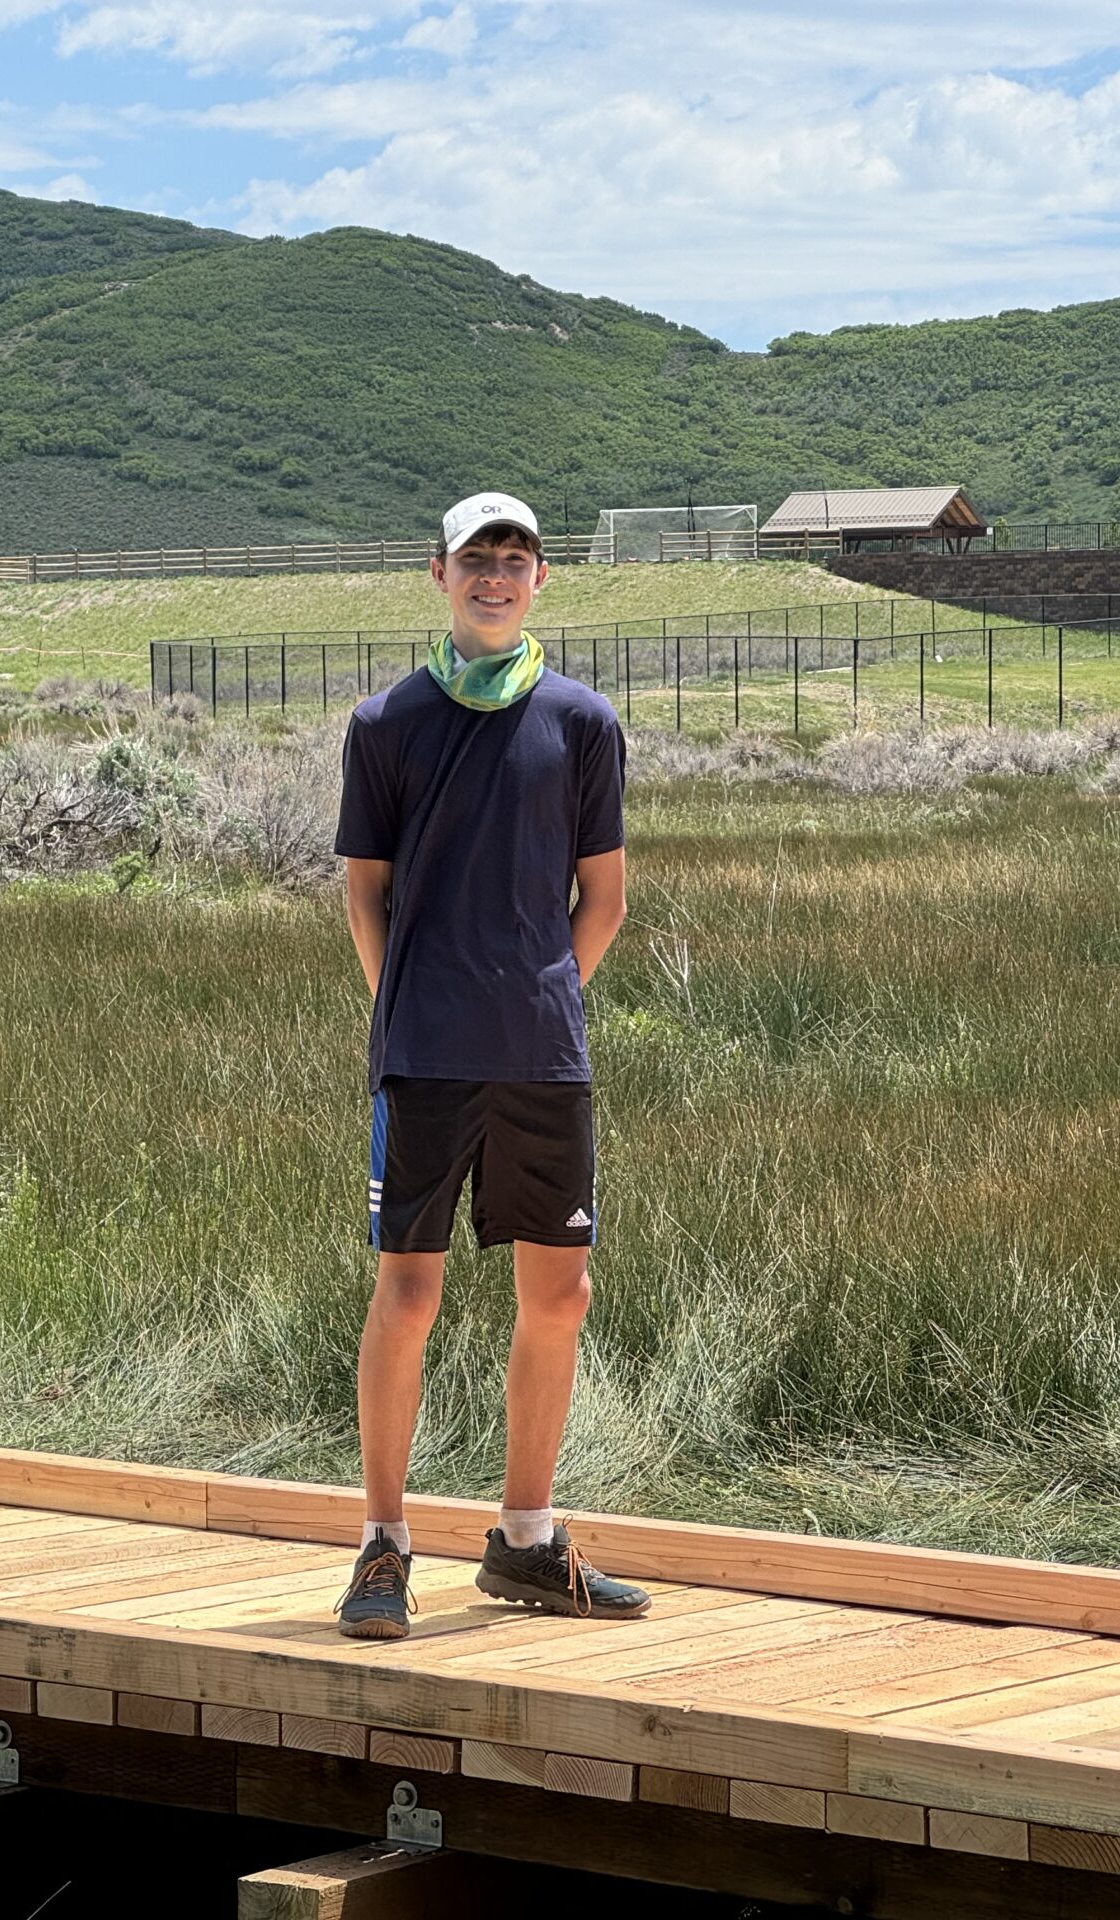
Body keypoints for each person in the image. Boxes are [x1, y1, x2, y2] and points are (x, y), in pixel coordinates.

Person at [330, 488, 649, 1640]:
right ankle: (383, 1543)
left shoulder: (582, 722)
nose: (496, 576)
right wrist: (409, 1006)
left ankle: (525, 1542)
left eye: (516, 558)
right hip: (424, 1055)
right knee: (408, 1294)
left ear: (540, 579)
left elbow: (601, 899)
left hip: (540, 1058)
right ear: (439, 573)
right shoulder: (386, 724)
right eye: (477, 558)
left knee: (559, 1294)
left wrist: (541, 999)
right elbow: (363, 892)